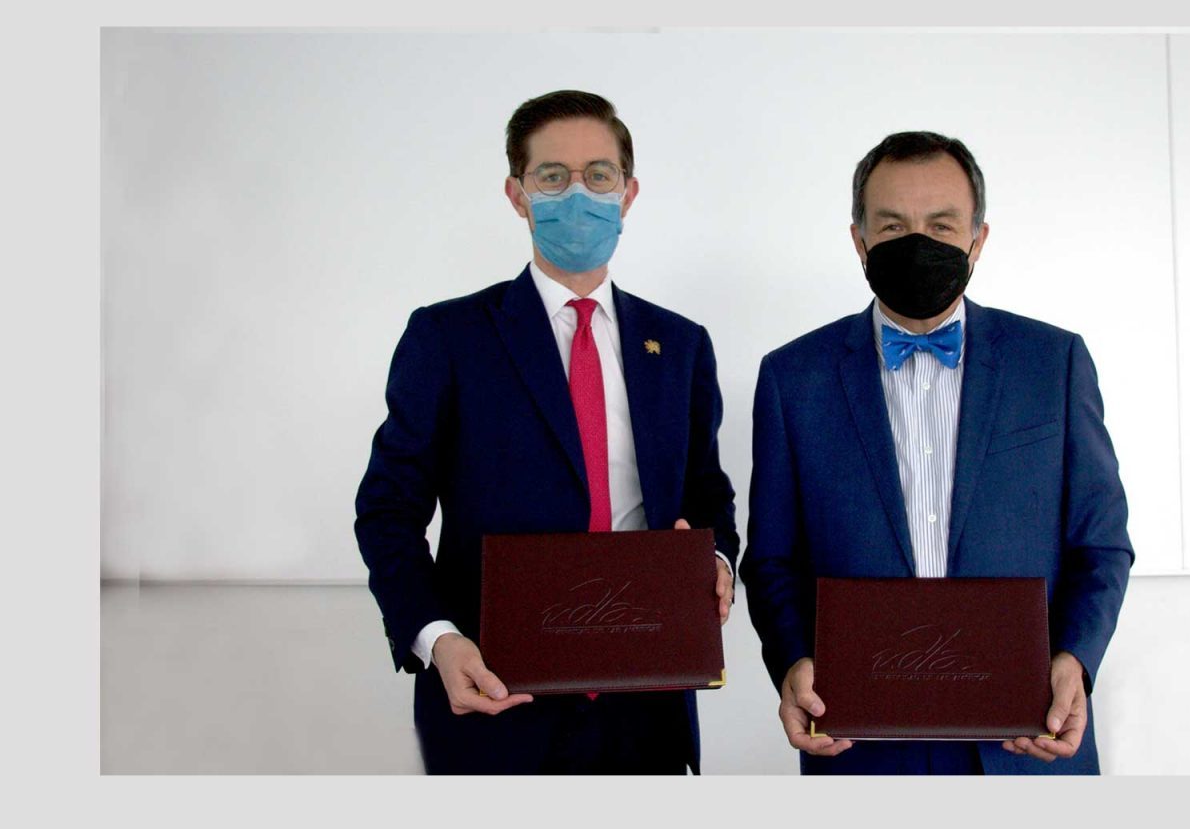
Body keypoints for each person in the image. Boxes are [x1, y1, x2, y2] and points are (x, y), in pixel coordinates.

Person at [355, 89, 738, 774]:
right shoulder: (448, 337)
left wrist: (715, 560)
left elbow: (706, 492)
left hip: (645, 705)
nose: (578, 194)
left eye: (599, 174)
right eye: (553, 176)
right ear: (517, 194)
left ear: (628, 192)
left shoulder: (680, 345)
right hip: (492, 696)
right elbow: (388, 509)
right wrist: (437, 638)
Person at [740, 131, 1134, 775]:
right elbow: (772, 559)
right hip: (859, 743)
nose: (917, 243)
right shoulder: (793, 377)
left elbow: (1102, 543)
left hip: (1028, 740)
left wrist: (1076, 659)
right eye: (893, 226)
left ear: (977, 239)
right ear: (859, 240)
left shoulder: (1053, 363)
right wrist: (792, 659)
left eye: (941, 225)